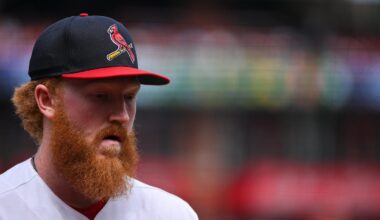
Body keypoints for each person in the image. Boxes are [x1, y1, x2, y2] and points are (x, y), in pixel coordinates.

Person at [0, 13, 198, 220]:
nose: (122, 115)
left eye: (129, 97)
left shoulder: (170, 214)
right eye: (101, 96)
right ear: (47, 100)